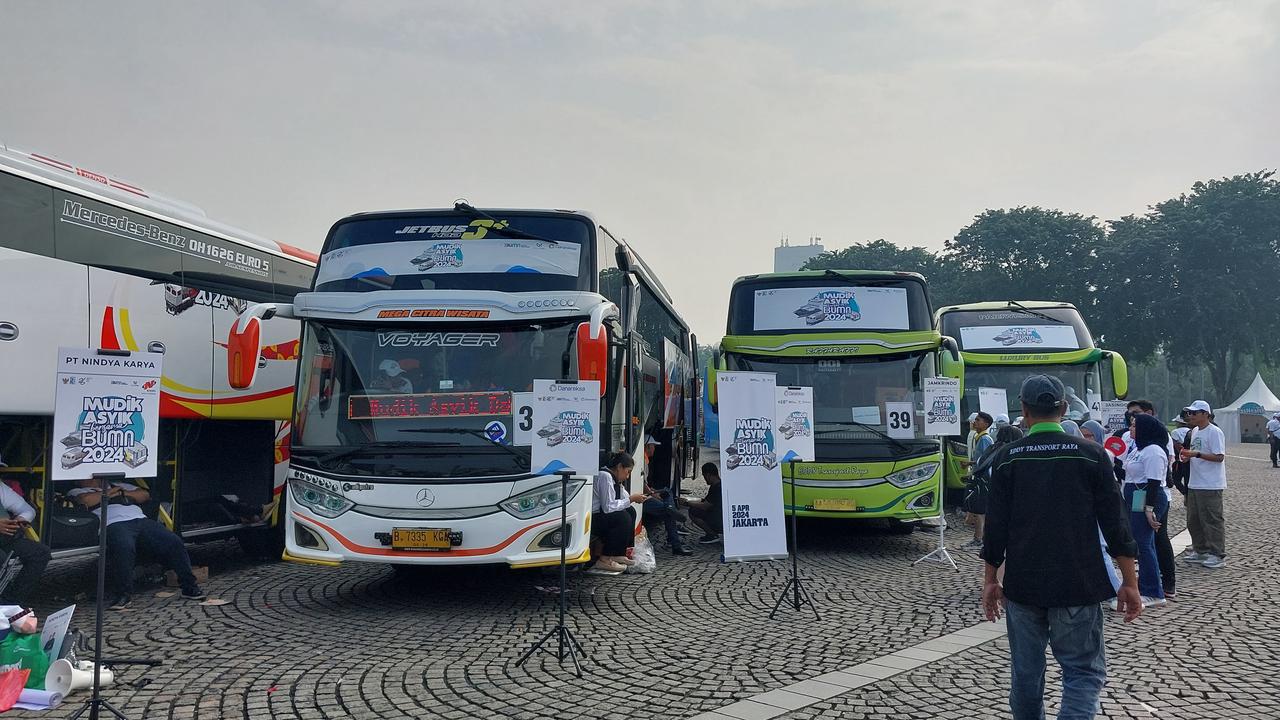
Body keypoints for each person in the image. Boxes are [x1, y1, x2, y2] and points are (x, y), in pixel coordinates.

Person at [982, 375, 1141, 720]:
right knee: (1083, 673)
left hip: (1023, 585)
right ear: (1064, 408)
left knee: (1026, 674)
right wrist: (1129, 581)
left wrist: (990, 579)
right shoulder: (1092, 455)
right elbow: (1117, 524)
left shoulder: (1007, 458)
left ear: (1023, 410)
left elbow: (995, 527)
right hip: (1079, 583)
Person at [69, 478, 206, 608]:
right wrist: (113, 492)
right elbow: (86, 500)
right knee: (124, 548)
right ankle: (123, 594)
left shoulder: (119, 484)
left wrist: (118, 492)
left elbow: (145, 495)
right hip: (113, 523)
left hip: (140, 519)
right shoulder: (78, 491)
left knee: (173, 541)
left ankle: (189, 587)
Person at [1123, 414, 1171, 607]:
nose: (1131, 429)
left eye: (1135, 426)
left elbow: (1153, 483)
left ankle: (1152, 591)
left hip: (1147, 496)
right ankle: (1146, 586)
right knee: (1142, 542)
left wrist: (1149, 510)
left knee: (1144, 544)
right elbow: (1129, 473)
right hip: (1137, 495)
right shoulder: (1138, 449)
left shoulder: (1153, 451)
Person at [1179, 400, 1228, 569]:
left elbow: (1219, 456)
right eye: (1189, 413)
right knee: (1194, 520)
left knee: (1212, 520)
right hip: (1195, 482)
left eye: (1194, 413)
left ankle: (1217, 554)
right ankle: (1201, 551)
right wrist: (1187, 456)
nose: (1190, 416)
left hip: (1211, 484)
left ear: (1205, 414)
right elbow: (1194, 454)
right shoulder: (1194, 432)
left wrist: (1197, 454)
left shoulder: (1214, 432)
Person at [589, 452, 648, 574]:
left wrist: (634, 498)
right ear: (620, 467)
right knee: (622, 518)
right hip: (594, 517)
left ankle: (619, 553)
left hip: (602, 514)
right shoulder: (604, 476)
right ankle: (605, 558)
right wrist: (631, 499)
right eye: (628, 472)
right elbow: (608, 507)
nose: (627, 476)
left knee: (630, 512)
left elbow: (623, 497)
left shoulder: (613, 478)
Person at [0, 465, 50, 607]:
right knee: (1, 558)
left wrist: (21, 518)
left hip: (4, 538)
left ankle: (12, 602)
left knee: (40, 553)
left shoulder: (1, 488)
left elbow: (27, 509)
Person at [961, 412, 995, 550]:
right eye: (975, 420)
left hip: (983, 478)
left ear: (986, 424)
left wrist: (971, 464)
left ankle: (978, 539)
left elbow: (986, 459)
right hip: (981, 476)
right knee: (977, 509)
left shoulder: (985, 439)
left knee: (979, 510)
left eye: (978, 420)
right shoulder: (979, 437)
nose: (975, 422)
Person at [683, 463, 723, 544]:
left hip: (718, 520)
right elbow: (705, 501)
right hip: (718, 515)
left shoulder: (717, 488)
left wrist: (687, 503)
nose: (705, 480)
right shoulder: (717, 485)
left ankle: (712, 535)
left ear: (708, 475)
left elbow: (705, 506)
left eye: (704, 477)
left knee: (693, 512)